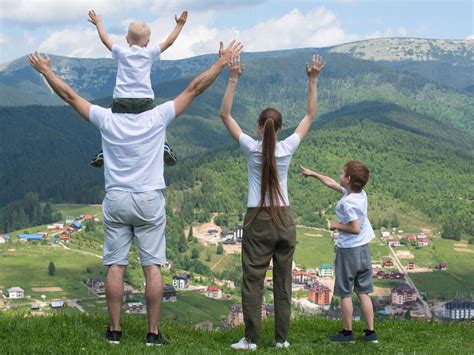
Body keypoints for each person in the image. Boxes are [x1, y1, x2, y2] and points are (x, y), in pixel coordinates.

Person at [28, 39, 243, 346]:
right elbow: (195, 88)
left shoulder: (107, 118)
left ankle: (114, 331)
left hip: (116, 198)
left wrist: (46, 71)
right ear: (147, 97)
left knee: (115, 265)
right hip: (148, 199)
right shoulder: (158, 117)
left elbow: (69, 95)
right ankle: (152, 334)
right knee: (152, 267)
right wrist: (221, 63)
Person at [219, 54, 324, 350]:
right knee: (283, 283)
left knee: (253, 281)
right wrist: (312, 80)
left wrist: (233, 78)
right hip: (285, 220)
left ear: (258, 126)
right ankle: (282, 340)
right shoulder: (287, 148)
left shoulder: (251, 148)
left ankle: (251, 340)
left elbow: (225, 115)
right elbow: (309, 117)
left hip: (257, 220)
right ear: (279, 129)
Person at [87, 9, 188, 167]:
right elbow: (169, 42)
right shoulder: (149, 53)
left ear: (127, 39)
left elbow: (105, 40)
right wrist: (179, 25)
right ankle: (165, 145)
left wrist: (98, 23)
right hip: (144, 100)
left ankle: (104, 150)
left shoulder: (121, 53)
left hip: (121, 100)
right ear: (147, 42)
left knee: (108, 121)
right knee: (159, 120)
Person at [300, 161, 378, 343]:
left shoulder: (348, 203)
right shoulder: (359, 194)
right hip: (364, 249)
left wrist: (336, 225)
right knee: (363, 292)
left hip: (349, 251)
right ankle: (370, 333)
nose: (339, 175)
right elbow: (332, 183)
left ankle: (347, 333)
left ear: (349, 179)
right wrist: (313, 174)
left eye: (342, 173)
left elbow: (355, 228)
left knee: (345, 293)